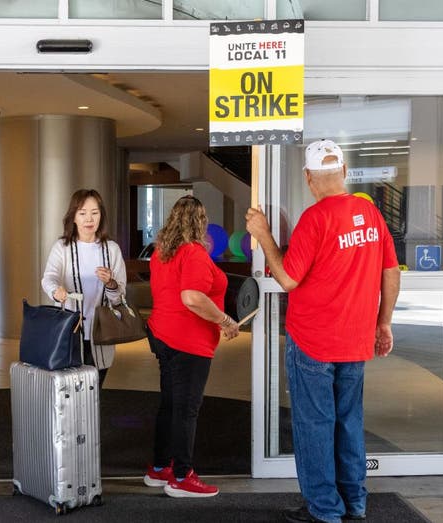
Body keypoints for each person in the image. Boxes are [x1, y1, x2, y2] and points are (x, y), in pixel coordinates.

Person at [245, 140, 400, 523]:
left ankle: (325, 509)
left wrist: (263, 234)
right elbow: (391, 272)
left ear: (308, 178)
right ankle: (354, 502)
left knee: (315, 426)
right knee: (348, 423)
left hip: (313, 341)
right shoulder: (369, 213)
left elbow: (288, 278)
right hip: (356, 341)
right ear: (344, 172)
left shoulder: (315, 219)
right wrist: (384, 321)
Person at [142, 195, 239, 498]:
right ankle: (182, 476)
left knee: (170, 404)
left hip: (163, 335)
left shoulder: (161, 253)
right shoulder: (193, 253)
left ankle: (160, 469)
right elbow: (192, 297)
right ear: (200, 221)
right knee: (186, 410)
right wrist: (225, 320)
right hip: (188, 342)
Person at [41, 188, 127, 386]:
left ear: (101, 216)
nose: (89, 219)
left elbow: (120, 296)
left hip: (102, 333)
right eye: (83, 213)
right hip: (70, 332)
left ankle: (90, 419)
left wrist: (111, 284)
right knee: (70, 391)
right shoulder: (62, 247)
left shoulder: (111, 249)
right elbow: (49, 277)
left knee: (94, 391)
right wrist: (56, 290)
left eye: (94, 213)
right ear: (74, 218)